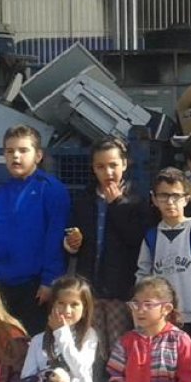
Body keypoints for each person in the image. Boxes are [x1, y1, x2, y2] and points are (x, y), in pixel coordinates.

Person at [0, 125, 70, 335]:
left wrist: (49, 281)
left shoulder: (52, 189)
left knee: (33, 346)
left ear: (38, 155)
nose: (15, 156)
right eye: (10, 151)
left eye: (23, 150)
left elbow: (55, 237)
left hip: (34, 288)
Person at [63, 137, 150, 368]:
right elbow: (73, 238)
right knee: (92, 344)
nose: (108, 172)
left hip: (121, 287)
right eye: (101, 167)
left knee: (120, 343)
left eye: (113, 165)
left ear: (125, 164)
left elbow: (136, 238)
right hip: (90, 284)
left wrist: (117, 204)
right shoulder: (85, 199)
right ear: (93, 168)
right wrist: (72, 243)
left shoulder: (137, 199)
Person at [136, 168, 191, 378]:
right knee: (166, 369)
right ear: (154, 199)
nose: (170, 201)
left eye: (176, 195)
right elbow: (143, 274)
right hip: (162, 317)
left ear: (187, 198)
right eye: (163, 195)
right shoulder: (152, 236)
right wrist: (144, 307)